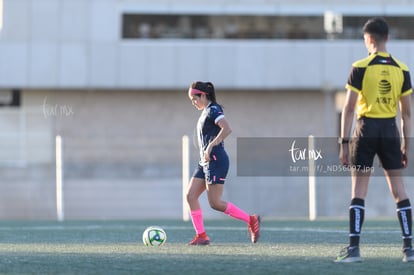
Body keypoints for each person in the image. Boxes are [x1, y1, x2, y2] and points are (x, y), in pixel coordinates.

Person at [335, 17, 414, 263]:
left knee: (359, 191)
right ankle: (409, 249)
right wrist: (405, 145)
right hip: (390, 130)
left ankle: (354, 249)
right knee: (399, 191)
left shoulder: (360, 66)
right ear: (387, 38)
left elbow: (348, 109)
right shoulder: (402, 69)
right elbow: (407, 113)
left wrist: (343, 144)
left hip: (366, 129)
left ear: (369, 39)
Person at [186, 81, 261, 245]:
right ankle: (201, 236)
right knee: (190, 196)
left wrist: (212, 145)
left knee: (215, 203)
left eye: (194, 98)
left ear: (203, 95)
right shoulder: (205, 111)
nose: (193, 102)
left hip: (216, 160)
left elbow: (227, 128)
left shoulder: (213, 109)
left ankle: (251, 220)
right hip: (204, 162)